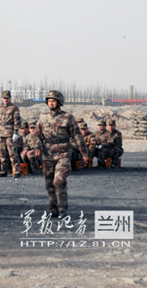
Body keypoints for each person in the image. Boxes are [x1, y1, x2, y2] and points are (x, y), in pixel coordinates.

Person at [34, 90, 89, 219]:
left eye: (53, 101)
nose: (51, 103)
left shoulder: (68, 118)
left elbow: (77, 136)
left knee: (59, 181)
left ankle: (62, 208)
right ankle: (53, 209)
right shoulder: (43, 117)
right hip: (48, 153)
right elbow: (37, 135)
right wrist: (37, 147)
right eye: (49, 101)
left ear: (59, 102)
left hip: (63, 153)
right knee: (49, 183)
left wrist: (84, 153)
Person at [0, 90, 22, 178]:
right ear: (2, 98)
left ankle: (16, 171)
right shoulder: (0, 108)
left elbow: (17, 121)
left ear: (10, 98)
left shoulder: (14, 108)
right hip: (1, 133)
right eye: (4, 98)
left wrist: (15, 132)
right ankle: (3, 170)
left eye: (7, 98)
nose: (6, 100)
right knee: (2, 153)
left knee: (12, 153)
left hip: (10, 133)